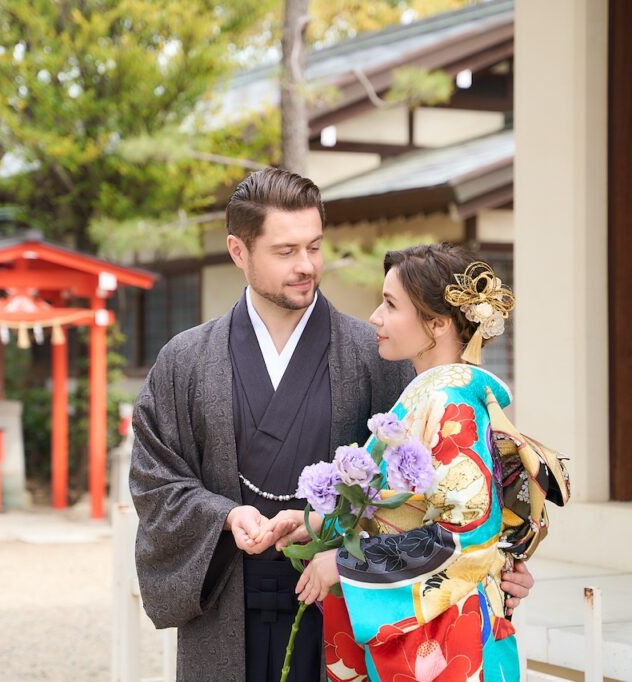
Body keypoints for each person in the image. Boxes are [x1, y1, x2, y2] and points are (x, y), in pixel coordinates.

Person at [129, 170, 533, 682]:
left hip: (346, 614)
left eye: (315, 246)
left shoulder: (380, 354)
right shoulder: (186, 361)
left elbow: (455, 490)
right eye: (285, 251)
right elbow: (154, 481)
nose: (306, 266)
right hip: (225, 610)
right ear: (238, 250)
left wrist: (499, 564)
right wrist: (225, 517)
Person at [269, 244, 535, 681]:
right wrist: (320, 524)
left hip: (449, 643)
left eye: (390, 304)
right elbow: (404, 510)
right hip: (439, 633)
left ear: (438, 323)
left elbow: (463, 537)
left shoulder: (452, 407)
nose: (375, 316)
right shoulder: (432, 397)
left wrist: (344, 564)